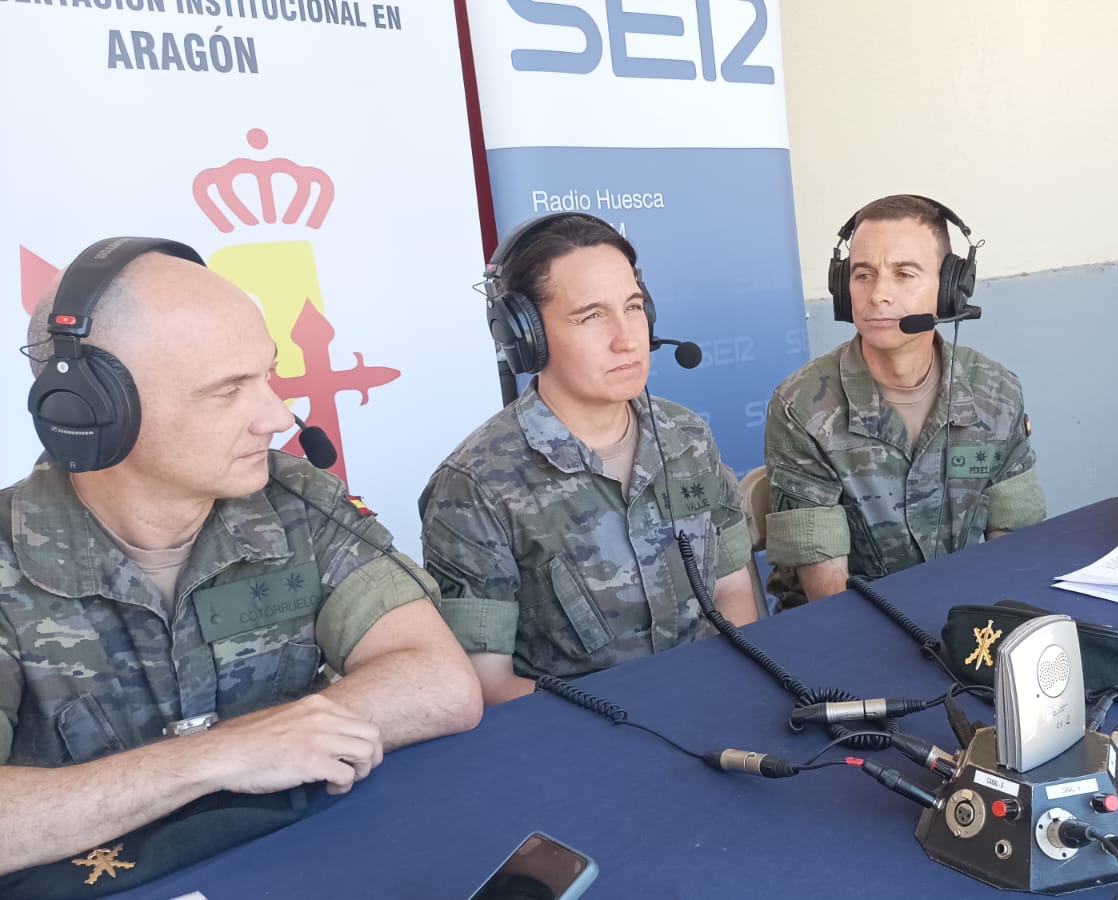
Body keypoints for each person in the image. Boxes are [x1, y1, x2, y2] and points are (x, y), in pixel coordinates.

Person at [0, 238, 482, 877]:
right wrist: (221, 755)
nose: (277, 415)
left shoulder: (296, 499)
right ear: (90, 412)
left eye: (268, 374)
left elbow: (440, 684)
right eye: (227, 390)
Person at [420, 213, 757, 704]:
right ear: (526, 336)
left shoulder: (686, 437)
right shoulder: (476, 486)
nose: (627, 338)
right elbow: (487, 684)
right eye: (591, 316)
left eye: (634, 307)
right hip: (582, 739)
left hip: (714, 700)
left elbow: (733, 590)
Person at [764, 194, 1046, 609]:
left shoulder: (996, 392)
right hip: (853, 634)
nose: (878, 294)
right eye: (862, 275)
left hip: (972, 620)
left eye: (903, 274)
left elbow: (1016, 548)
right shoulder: (802, 408)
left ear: (951, 289)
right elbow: (830, 597)